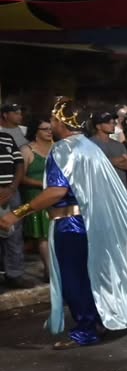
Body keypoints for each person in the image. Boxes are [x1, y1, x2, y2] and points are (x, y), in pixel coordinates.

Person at [0, 98, 127, 348]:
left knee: (75, 279)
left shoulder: (62, 149)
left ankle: (86, 330)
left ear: (61, 122)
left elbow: (56, 191)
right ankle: (100, 320)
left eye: (53, 120)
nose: (51, 124)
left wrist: (17, 213)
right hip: (91, 222)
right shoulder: (89, 147)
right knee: (92, 275)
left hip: (70, 224)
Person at [19, 117, 54, 281]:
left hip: (55, 195)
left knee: (54, 232)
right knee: (43, 233)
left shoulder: (57, 148)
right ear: (35, 131)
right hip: (36, 195)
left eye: (50, 128)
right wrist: (42, 184)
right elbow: (21, 177)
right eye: (45, 129)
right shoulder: (27, 150)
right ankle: (49, 269)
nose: (49, 131)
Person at [0, 117, 32, 288]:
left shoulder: (7, 138)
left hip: (11, 192)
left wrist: (12, 188)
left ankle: (14, 274)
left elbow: (19, 164)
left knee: (14, 234)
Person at [88, 111, 127, 185]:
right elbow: (91, 165)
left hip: (120, 188)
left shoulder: (119, 145)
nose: (112, 125)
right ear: (98, 126)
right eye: (108, 123)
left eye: (113, 123)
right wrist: (117, 160)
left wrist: (105, 161)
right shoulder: (89, 144)